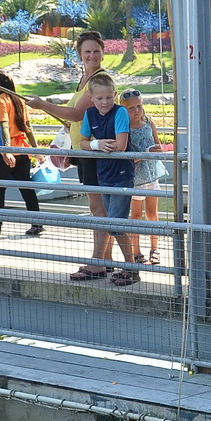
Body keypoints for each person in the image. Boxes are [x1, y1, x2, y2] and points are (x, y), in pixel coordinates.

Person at [25, 31, 118, 278]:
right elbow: (80, 117)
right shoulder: (85, 79)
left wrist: (43, 105)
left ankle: (98, 262)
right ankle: (105, 259)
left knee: (98, 208)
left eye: (96, 51)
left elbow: (77, 113)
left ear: (103, 51)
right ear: (79, 55)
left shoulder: (100, 79)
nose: (92, 55)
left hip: (96, 152)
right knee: (99, 207)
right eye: (87, 51)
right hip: (85, 149)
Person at [80, 73, 142, 285]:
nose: (105, 102)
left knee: (115, 224)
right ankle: (128, 267)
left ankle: (132, 268)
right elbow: (83, 142)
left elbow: (121, 145)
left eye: (108, 97)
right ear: (91, 98)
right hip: (103, 173)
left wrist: (100, 144)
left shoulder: (120, 112)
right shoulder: (89, 114)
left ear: (114, 95)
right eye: (100, 98)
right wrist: (97, 145)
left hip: (121, 175)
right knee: (111, 222)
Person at [0, 69, 43, 238]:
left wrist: (6, 150)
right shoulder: (18, 99)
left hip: (7, 152)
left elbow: (3, 127)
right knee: (27, 188)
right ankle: (37, 223)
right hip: (23, 151)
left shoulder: (1, 101)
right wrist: (36, 150)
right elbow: (28, 127)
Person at [120, 88, 166, 265]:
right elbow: (127, 157)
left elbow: (158, 144)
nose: (136, 111)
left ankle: (155, 248)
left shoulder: (149, 122)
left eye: (139, 106)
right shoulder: (124, 128)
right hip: (136, 178)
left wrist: (156, 151)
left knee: (153, 214)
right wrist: (146, 153)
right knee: (136, 215)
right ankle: (136, 251)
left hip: (152, 174)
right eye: (131, 108)